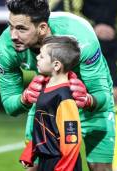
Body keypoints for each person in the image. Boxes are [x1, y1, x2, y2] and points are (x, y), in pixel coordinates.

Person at [0, 0, 115, 170]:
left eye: (21, 29)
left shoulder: (81, 40)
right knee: (34, 166)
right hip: (47, 102)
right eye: (11, 26)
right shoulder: (5, 48)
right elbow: (10, 105)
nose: (13, 35)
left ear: (42, 28)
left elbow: (103, 96)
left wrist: (88, 100)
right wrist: (24, 99)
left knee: (99, 167)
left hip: (87, 101)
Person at [53, 0, 117, 170]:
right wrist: (93, 27)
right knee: (75, 96)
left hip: (110, 48)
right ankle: (67, 155)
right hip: (83, 44)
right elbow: (69, 13)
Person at [19, 36, 82, 171]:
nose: (36, 58)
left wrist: (63, 168)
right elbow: (42, 126)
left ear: (56, 65)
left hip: (61, 163)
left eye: (41, 56)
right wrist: (30, 152)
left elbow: (72, 140)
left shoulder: (64, 97)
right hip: (46, 160)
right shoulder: (45, 87)